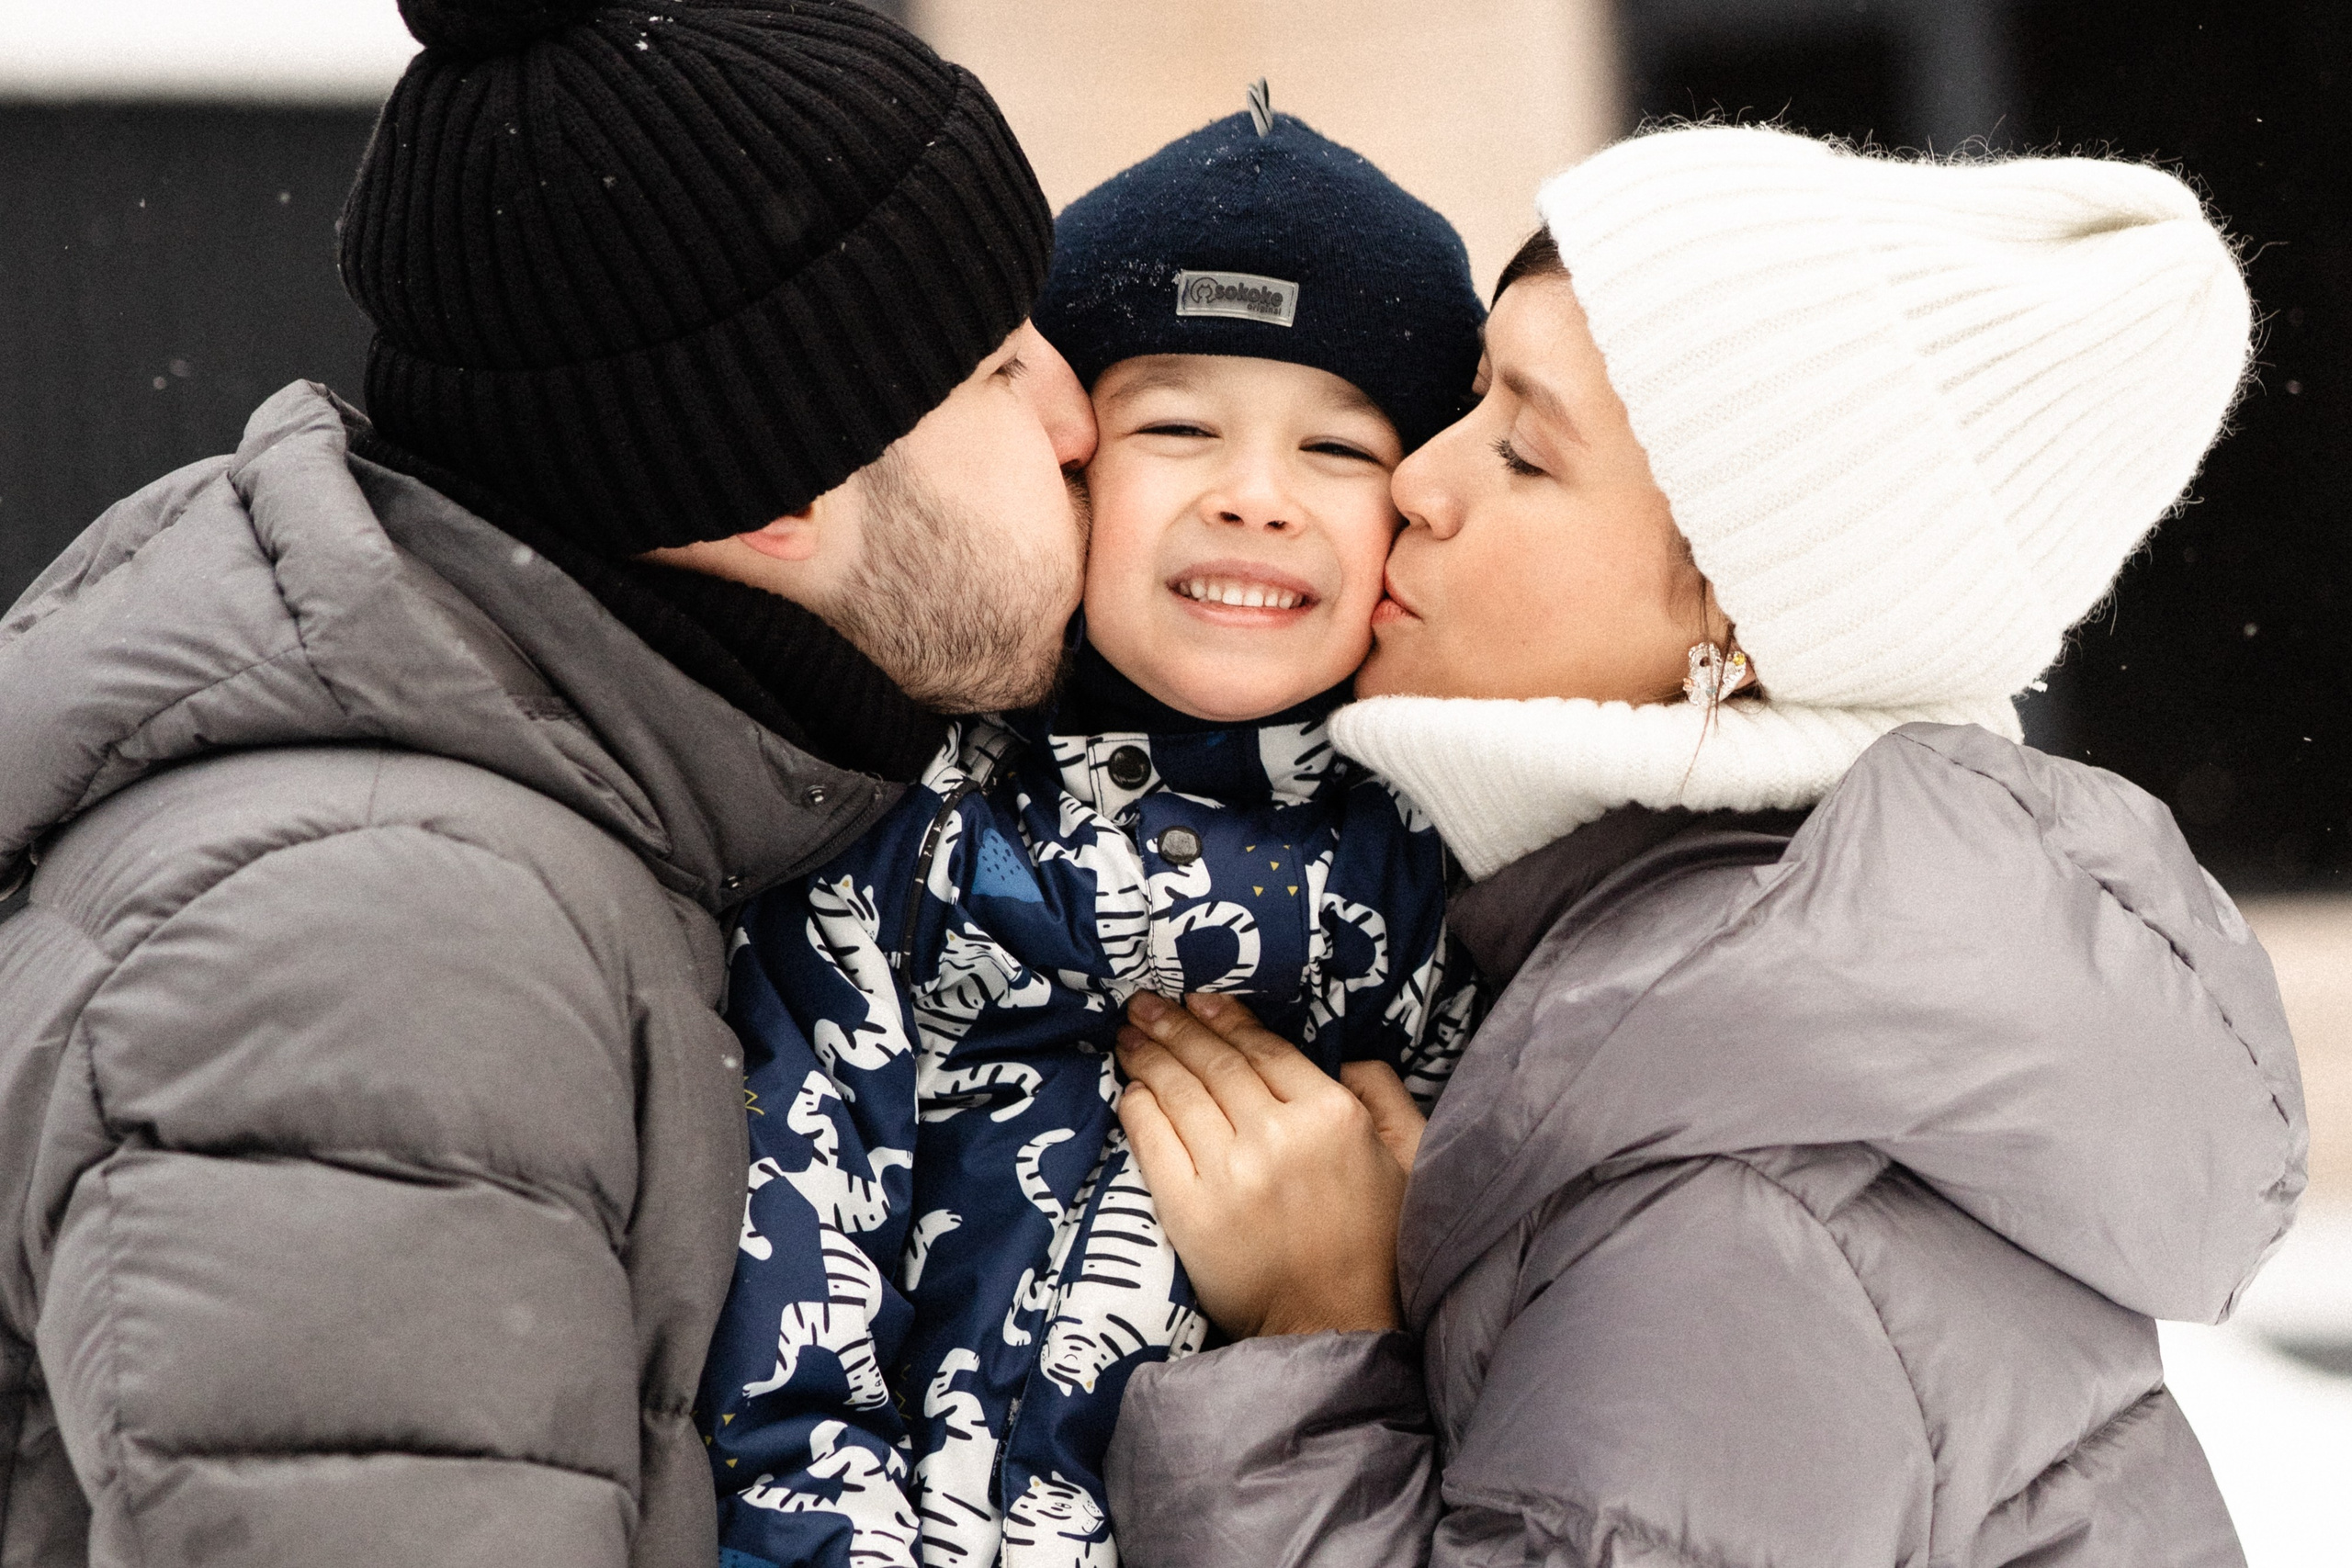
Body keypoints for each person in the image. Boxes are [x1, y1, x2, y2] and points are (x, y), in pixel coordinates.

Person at [1102, 126, 2306, 1567]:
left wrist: (1316, 1330)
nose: (1419, 478)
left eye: (1526, 451)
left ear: (1735, 626)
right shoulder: (1722, 1007)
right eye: (1474, 396)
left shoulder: (1734, 1186)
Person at [0, 3, 1093, 1562]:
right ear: (779, 486)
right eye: (998, 367)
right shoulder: (386, 946)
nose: (1075, 419)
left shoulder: (566, 819)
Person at [698, 108, 1487, 1567]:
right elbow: (784, 1331)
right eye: (1176, 427)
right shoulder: (894, 828)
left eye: (1337, 446)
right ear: (1065, 464)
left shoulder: (1455, 877)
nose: (1253, 492)